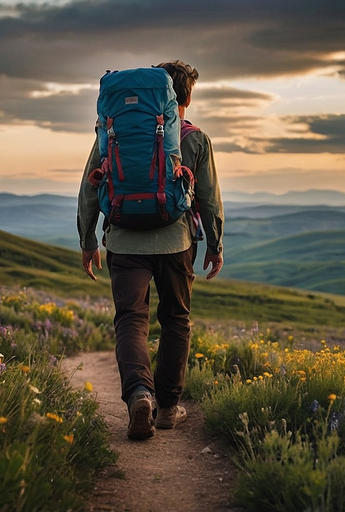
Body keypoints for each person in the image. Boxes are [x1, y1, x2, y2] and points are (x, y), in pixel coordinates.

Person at [77, 60, 224, 440]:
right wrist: (215, 243)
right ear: (185, 96)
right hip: (177, 242)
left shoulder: (112, 131)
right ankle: (169, 408)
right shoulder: (194, 139)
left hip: (124, 239)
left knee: (130, 319)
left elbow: (90, 187)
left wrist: (88, 240)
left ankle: (140, 394)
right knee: (175, 319)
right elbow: (208, 198)